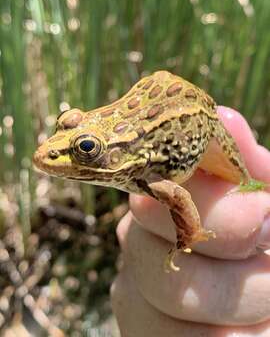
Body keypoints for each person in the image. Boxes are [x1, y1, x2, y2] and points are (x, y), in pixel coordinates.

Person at [111, 106, 270, 337]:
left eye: (86, 149)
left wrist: (186, 237)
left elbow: (179, 196)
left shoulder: (148, 177)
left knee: (243, 188)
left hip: (200, 119)